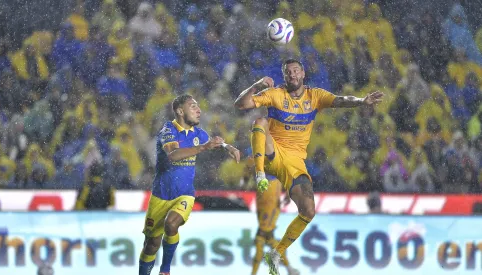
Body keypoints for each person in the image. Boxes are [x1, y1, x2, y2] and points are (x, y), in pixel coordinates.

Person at [234, 59, 383, 275]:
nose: (292, 75)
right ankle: (259, 174)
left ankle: (275, 254)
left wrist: (361, 101)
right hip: (272, 152)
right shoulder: (276, 94)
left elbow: (340, 100)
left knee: (309, 211)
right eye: (288, 72)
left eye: (296, 71)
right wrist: (257, 84)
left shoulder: (315, 96)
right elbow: (241, 104)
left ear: (303, 73)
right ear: (284, 76)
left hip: (295, 163)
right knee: (260, 122)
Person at [139, 94, 241, 275]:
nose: (198, 110)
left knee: (172, 224)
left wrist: (228, 147)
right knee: (151, 245)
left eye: (198, 106)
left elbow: (216, 142)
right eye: (193, 106)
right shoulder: (168, 131)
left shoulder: (199, 134)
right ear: (180, 111)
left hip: (185, 194)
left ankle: (165, 270)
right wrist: (203, 147)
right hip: (161, 195)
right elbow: (173, 155)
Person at [251, 174, 300, 275]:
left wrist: (287, 193)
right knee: (269, 239)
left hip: (270, 201)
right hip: (265, 199)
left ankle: (288, 268)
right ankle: (289, 268)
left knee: (262, 236)